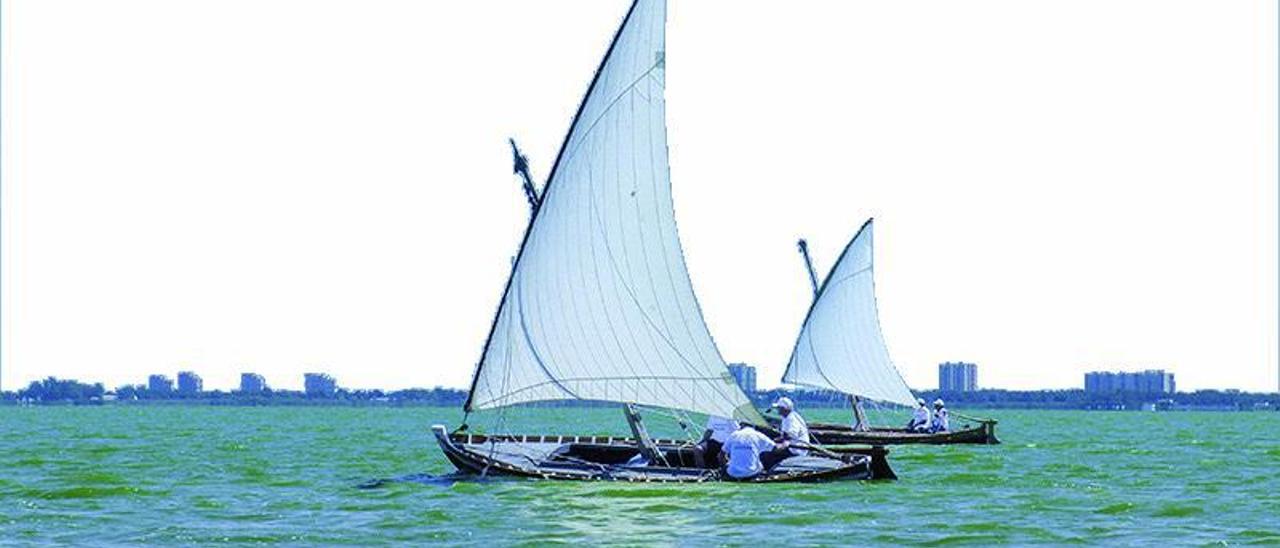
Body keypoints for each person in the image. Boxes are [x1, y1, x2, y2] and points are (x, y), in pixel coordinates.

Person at [761, 396, 810, 469]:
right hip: (793, 447)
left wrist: (776, 440)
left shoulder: (791, 419)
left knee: (766, 455)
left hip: (796, 449)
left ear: (784, 409)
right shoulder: (787, 417)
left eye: (779, 408)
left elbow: (790, 435)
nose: (777, 410)